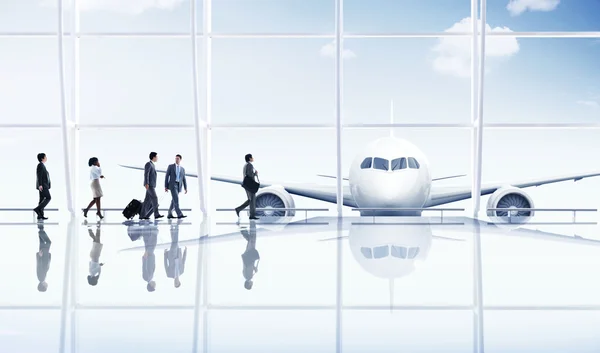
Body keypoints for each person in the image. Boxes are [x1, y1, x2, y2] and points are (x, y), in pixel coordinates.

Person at [235, 154, 259, 220]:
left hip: (247, 185)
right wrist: (255, 174)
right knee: (252, 200)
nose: (253, 158)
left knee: (250, 200)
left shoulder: (245, 165)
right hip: (250, 185)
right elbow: (250, 175)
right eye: (252, 157)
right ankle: (252, 216)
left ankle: (238, 209)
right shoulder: (249, 165)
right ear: (249, 158)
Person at [164, 219, 187, 288]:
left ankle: (177, 226)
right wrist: (185, 251)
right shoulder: (182, 271)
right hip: (178, 254)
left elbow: (165, 264)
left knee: (175, 242)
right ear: (179, 281)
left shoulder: (169, 275)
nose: (176, 282)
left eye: (175, 284)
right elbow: (183, 261)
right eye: (177, 283)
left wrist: (165, 255)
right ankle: (171, 227)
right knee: (174, 241)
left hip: (171, 255)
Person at [140, 152, 163, 220]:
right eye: (156, 157)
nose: (157, 158)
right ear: (153, 157)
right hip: (149, 185)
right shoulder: (148, 164)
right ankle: (156, 214)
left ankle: (142, 215)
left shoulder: (152, 165)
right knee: (155, 198)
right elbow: (146, 174)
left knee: (147, 201)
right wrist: (146, 183)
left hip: (151, 185)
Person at [164, 154, 188, 219]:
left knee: (173, 200)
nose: (176, 159)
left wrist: (185, 188)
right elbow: (167, 176)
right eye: (176, 158)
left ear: (180, 160)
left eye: (178, 158)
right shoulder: (171, 166)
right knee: (176, 199)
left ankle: (169, 214)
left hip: (178, 185)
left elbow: (184, 179)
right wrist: (165, 186)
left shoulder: (182, 169)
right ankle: (179, 214)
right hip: (172, 185)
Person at [240, 222, 259, 290]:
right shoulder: (245, 276)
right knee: (250, 240)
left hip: (250, 255)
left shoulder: (249, 276)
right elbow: (248, 266)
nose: (252, 284)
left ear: (249, 284)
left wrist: (254, 268)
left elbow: (248, 265)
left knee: (252, 238)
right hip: (247, 255)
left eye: (251, 285)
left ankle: (252, 222)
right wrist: (254, 268)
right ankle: (243, 230)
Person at [34, 153, 51, 220]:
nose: (46, 158)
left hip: (44, 185)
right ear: (42, 158)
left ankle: (40, 215)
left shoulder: (42, 165)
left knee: (41, 200)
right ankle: (37, 209)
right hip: (43, 186)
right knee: (48, 197)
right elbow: (39, 175)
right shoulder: (40, 165)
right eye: (45, 157)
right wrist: (40, 185)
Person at [86, 221, 104, 286]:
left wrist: (99, 265)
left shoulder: (93, 273)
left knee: (97, 239)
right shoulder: (91, 272)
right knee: (95, 239)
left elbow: (98, 267)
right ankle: (89, 228)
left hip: (95, 255)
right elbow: (90, 263)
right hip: (93, 256)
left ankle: (98, 226)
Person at [36, 223, 52, 292]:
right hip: (43, 256)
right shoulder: (41, 278)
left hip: (43, 256)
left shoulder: (41, 278)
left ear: (43, 286)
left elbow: (39, 266)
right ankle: (40, 228)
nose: (47, 286)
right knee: (42, 242)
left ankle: (41, 229)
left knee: (48, 242)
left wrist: (39, 256)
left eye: (46, 287)